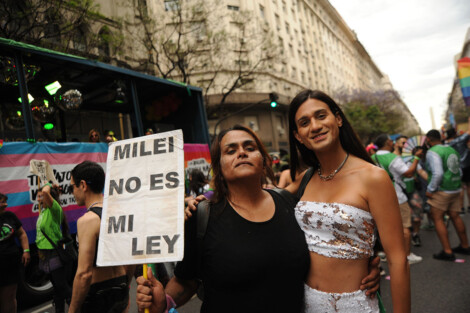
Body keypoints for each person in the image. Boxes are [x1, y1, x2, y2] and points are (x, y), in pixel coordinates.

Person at [136, 124, 380, 313]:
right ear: (219, 168)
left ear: (263, 160)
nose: (241, 152)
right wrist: (163, 301)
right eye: (230, 151)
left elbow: (322, 252)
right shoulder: (201, 215)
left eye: (250, 148)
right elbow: (186, 281)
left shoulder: (291, 205)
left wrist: (365, 266)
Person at [284, 90, 409, 312]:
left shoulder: (373, 178)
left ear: (338, 119)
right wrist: (204, 198)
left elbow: (398, 260)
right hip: (305, 304)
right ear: (298, 135)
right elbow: (262, 200)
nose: (314, 126)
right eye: (304, 122)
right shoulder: (305, 178)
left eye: (321, 116)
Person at [68, 161, 135, 313]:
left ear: (83, 185)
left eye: (72, 187)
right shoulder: (120, 214)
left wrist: (72, 309)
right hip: (120, 287)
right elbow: (131, 258)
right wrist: (125, 288)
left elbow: (84, 274)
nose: (72, 192)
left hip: (98, 295)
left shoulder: (88, 221)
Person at [424, 129, 470, 261]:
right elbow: (459, 170)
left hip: (442, 190)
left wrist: (430, 189)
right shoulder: (451, 149)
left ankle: (447, 251)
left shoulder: (433, 152)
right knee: (455, 216)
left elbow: (438, 173)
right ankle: (465, 245)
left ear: (428, 139)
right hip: (455, 188)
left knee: (437, 218)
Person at [36, 184, 72, 313]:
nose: (39, 199)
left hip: (54, 253)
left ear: (49, 197)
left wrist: (50, 184)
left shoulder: (55, 209)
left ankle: (77, 308)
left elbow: (46, 191)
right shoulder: (44, 211)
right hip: (44, 254)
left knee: (62, 286)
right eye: (38, 196)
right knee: (56, 288)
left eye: (41, 196)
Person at [0, 193, 30, 313]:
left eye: (5, 201)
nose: (6, 204)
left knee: (9, 297)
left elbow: (22, 234)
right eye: (2, 202)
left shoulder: (10, 216)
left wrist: (26, 251)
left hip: (10, 264)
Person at [445, 119, 470, 214]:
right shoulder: (461, 139)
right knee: (468, 186)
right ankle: (469, 206)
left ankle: (461, 208)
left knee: (461, 188)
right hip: (467, 165)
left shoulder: (447, 145)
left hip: (456, 168)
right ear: (455, 133)